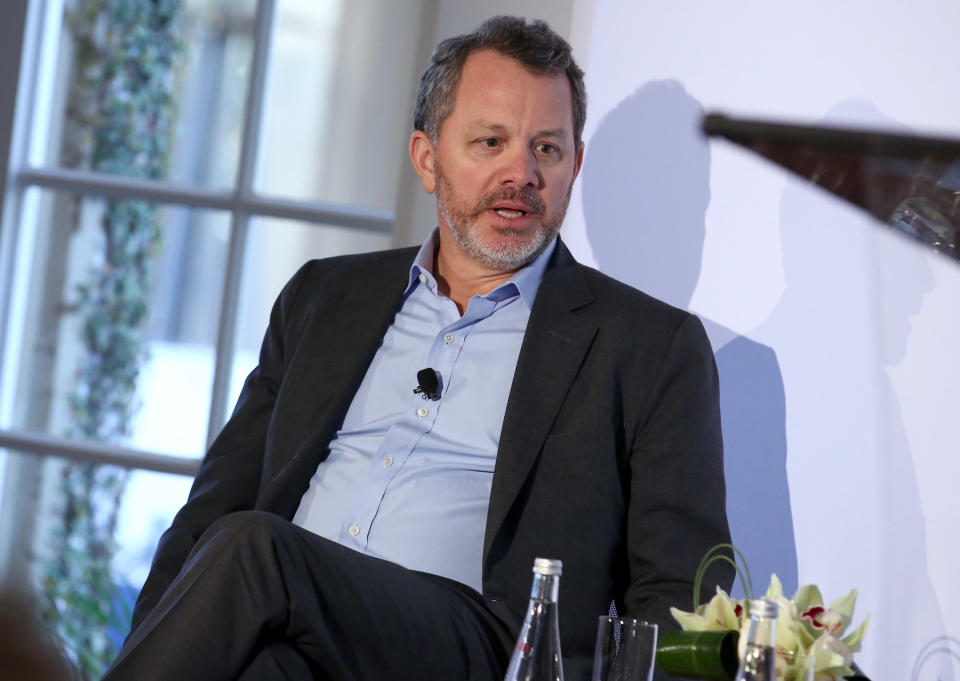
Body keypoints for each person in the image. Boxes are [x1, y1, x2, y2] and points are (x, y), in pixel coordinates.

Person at [102, 15, 731, 681]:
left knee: (256, 545)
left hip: (482, 648)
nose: (522, 173)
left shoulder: (648, 347)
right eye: (491, 142)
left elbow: (680, 604)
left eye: (547, 149)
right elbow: (210, 514)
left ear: (575, 164)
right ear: (427, 158)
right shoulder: (325, 297)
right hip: (293, 628)